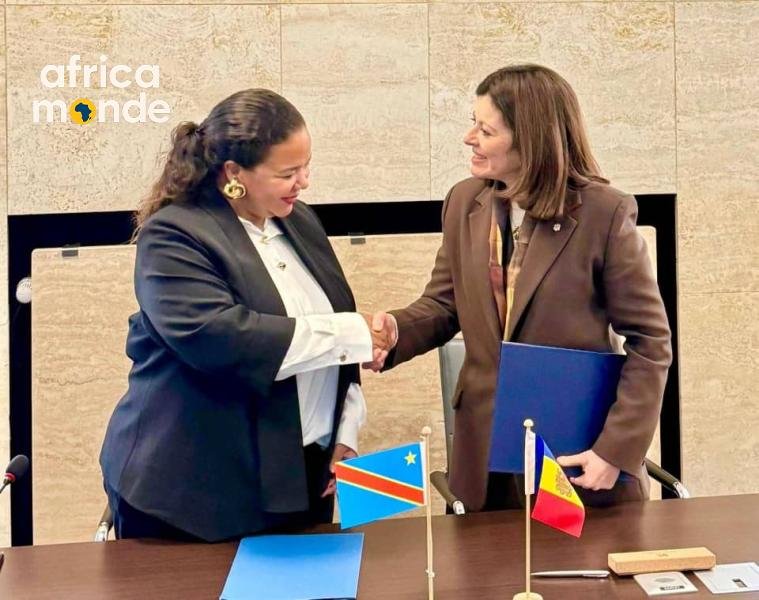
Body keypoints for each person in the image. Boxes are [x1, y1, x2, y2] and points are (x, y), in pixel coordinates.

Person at [367, 64, 672, 510]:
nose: (469, 138)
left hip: (576, 458)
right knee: (483, 559)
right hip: (484, 461)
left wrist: (615, 450)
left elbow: (650, 341)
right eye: (473, 123)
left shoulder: (604, 213)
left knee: (573, 559)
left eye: (486, 130)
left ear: (531, 140)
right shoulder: (463, 201)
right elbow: (445, 304)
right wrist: (396, 331)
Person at [100, 89, 392, 542]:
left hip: (299, 481)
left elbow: (334, 337)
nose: (303, 182)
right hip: (194, 497)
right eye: (287, 173)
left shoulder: (299, 221)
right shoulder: (174, 235)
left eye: (306, 167)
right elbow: (222, 337)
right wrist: (353, 333)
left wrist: (344, 432)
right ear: (234, 173)